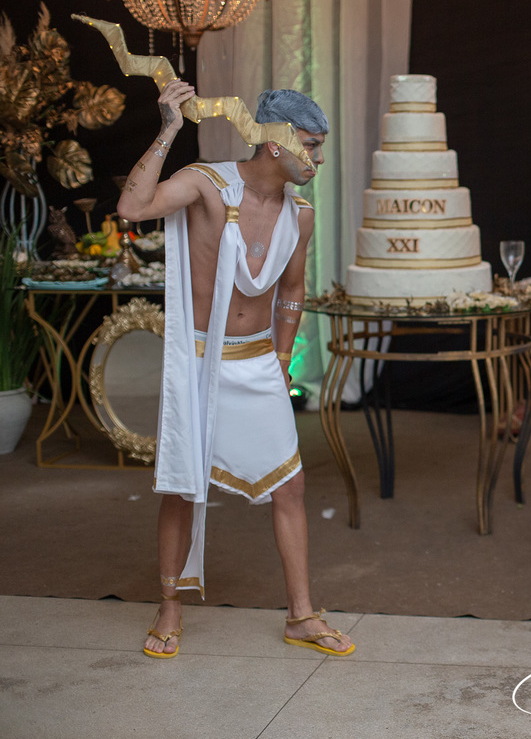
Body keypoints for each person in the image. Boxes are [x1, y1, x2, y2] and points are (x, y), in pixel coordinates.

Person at [117, 81, 354, 659]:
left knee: (290, 486)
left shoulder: (300, 216)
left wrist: (282, 357)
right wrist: (169, 129)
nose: (319, 159)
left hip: (258, 362)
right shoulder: (206, 183)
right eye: (312, 146)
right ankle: (169, 605)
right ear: (276, 143)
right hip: (200, 360)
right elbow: (132, 208)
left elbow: (292, 290)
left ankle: (301, 616)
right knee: (184, 485)